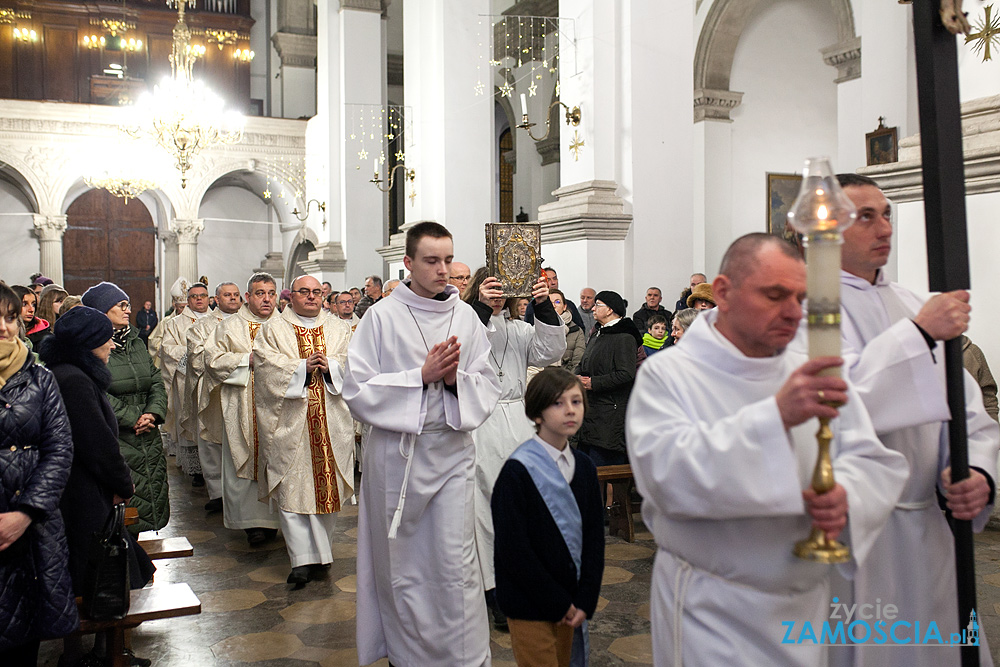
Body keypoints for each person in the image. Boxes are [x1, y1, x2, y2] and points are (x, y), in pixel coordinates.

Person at [626, 233, 909, 666]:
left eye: (801, 297)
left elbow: (869, 457)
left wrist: (847, 497)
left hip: (809, 604)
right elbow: (665, 475)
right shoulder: (668, 374)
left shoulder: (809, 369)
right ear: (723, 292)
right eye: (775, 295)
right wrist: (774, 417)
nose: (794, 313)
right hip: (714, 609)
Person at [830, 173, 999, 667]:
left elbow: (967, 407)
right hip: (857, 533)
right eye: (866, 217)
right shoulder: (807, 310)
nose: (883, 227)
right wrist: (918, 334)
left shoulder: (910, 302)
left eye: (886, 214)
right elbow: (837, 407)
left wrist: (978, 472)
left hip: (930, 522)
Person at [343, 222, 501, 666]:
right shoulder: (381, 316)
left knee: (455, 565)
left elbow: (486, 384)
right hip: (396, 459)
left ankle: (463, 657)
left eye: (448, 260)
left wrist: (454, 381)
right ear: (408, 263)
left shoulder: (465, 317)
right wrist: (420, 377)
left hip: (450, 454)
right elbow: (356, 388)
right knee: (402, 567)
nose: (444, 270)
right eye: (432, 260)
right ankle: (408, 656)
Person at [38, 306, 156, 667]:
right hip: (82, 495)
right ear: (89, 343)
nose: (110, 343)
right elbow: (96, 443)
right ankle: (99, 655)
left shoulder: (70, 373)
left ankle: (105, 650)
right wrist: (123, 482)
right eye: (104, 337)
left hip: (83, 492)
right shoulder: (73, 380)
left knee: (100, 572)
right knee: (98, 573)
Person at [464, 268, 565, 630]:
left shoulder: (520, 329)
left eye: (503, 290)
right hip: (484, 424)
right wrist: (480, 306)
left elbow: (551, 349)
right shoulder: (465, 322)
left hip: (519, 423)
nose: (497, 296)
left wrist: (542, 304)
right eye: (490, 289)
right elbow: (463, 346)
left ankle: (528, 583)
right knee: (488, 513)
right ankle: (495, 593)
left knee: (526, 509)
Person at [492, 369, 604, 667]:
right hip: (530, 602)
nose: (570, 410)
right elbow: (513, 549)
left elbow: (593, 537)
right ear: (537, 412)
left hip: (572, 599)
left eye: (576, 401)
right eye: (558, 403)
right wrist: (557, 601)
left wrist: (586, 597)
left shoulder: (584, 467)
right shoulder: (517, 471)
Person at [253, 275, 355, 585]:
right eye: (303, 292)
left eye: (316, 292)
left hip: (331, 421)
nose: (311, 297)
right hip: (290, 423)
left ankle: (322, 554)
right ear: (292, 296)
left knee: (328, 488)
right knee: (292, 487)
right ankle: (300, 560)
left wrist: (332, 366)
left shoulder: (339, 328)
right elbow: (264, 364)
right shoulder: (274, 329)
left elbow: (356, 363)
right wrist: (300, 368)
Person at [0, 282, 78, 666]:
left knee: (23, 640)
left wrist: (25, 512)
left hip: (32, 530)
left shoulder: (39, 378)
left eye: (11, 318)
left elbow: (60, 448)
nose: (5, 327)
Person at [83, 282, 169, 535]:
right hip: (119, 435)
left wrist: (153, 413)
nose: (127, 310)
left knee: (146, 501)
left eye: (127, 304)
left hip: (148, 436)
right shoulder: (92, 346)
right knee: (121, 513)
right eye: (120, 305)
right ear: (101, 310)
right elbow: (96, 391)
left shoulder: (136, 340)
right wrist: (134, 417)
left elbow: (155, 379)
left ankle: (139, 565)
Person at [203, 273, 280, 546]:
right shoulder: (230, 326)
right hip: (242, 403)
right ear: (248, 297)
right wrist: (245, 359)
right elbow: (211, 359)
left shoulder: (286, 324)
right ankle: (252, 523)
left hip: (281, 408)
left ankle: (278, 519)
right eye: (260, 293)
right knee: (244, 457)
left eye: (271, 293)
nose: (267, 298)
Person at [186, 282, 242, 512]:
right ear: (216, 300)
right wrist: (227, 361)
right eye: (227, 295)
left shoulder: (253, 323)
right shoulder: (203, 326)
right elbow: (197, 355)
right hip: (214, 390)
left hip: (246, 389)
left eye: (236, 295)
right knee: (212, 438)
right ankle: (217, 492)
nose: (232, 299)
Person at [575, 290, 640, 467]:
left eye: (598, 305)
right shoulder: (597, 334)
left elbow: (626, 373)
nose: (593, 308)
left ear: (610, 310)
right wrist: (576, 377)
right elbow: (584, 361)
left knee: (605, 468)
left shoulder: (625, 337)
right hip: (591, 411)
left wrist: (593, 383)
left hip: (610, 416)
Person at [159, 282, 211, 486]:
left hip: (215, 379)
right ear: (188, 300)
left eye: (203, 295)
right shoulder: (175, 323)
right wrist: (196, 358)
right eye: (194, 296)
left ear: (209, 298)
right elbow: (167, 349)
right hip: (188, 380)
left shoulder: (220, 321)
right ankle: (198, 470)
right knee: (192, 422)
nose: (199, 299)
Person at [963, 335, 998, 422]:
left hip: (971, 430)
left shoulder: (971, 352)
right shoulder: (926, 354)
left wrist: (993, 432)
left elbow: (988, 400)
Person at [549, 289, 585, 371]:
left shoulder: (576, 331)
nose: (553, 305)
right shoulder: (538, 328)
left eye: (557, 302)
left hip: (567, 378)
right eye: (550, 303)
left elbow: (578, 361)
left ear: (564, 306)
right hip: (543, 378)